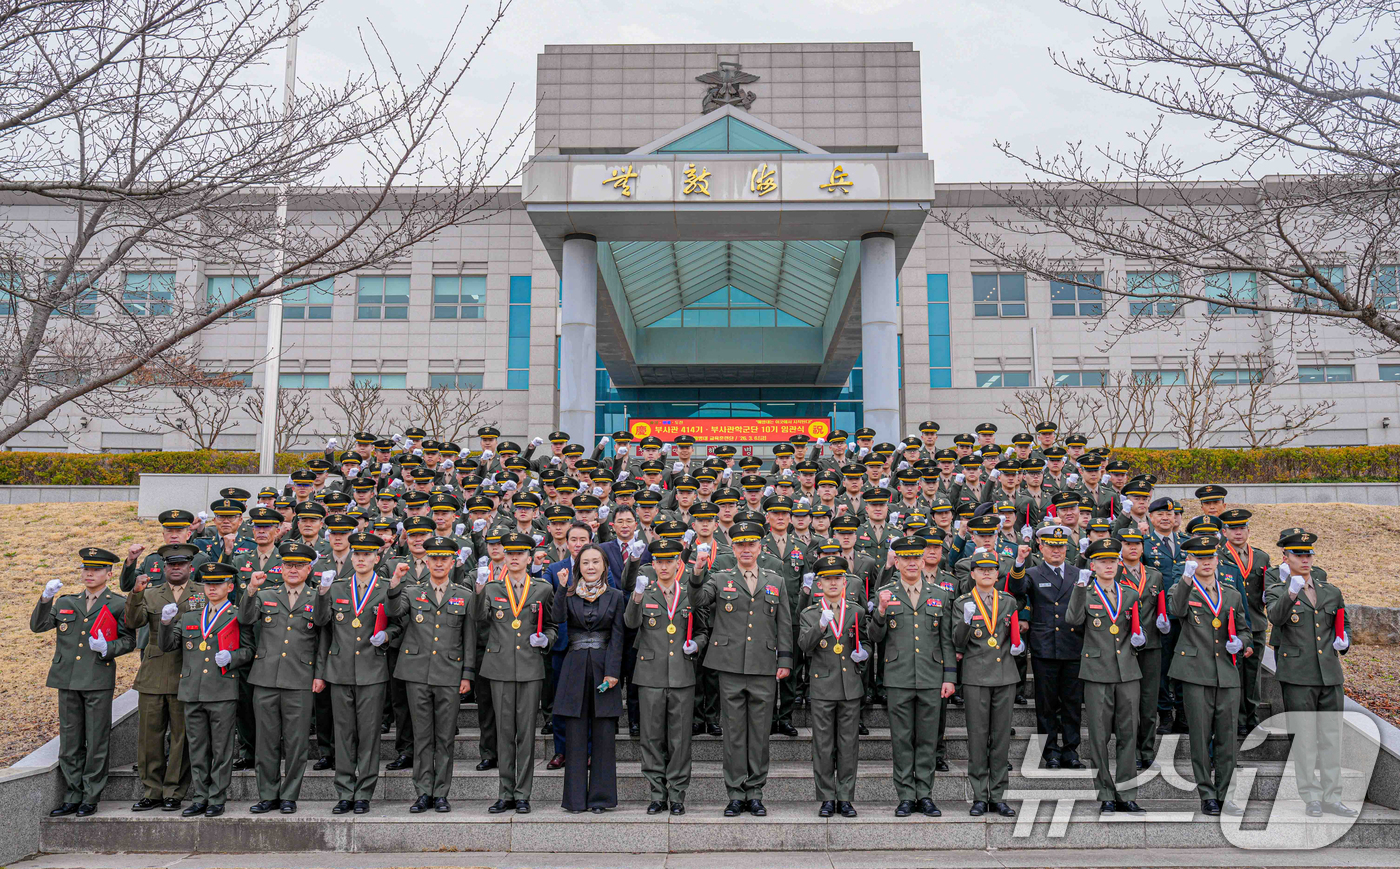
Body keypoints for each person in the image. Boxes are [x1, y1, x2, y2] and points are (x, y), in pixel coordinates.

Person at [694, 520, 793, 818]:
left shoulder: (775, 580)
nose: (746, 548)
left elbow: (784, 623)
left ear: (760, 547)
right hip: (730, 665)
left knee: (760, 734)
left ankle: (756, 792)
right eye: (741, 544)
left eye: (752, 543)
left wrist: (785, 660)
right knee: (734, 733)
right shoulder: (720, 577)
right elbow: (698, 599)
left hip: (763, 666)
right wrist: (697, 571)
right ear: (733, 548)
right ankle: (736, 793)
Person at [33, 547, 136, 818]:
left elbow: (129, 640)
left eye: (97, 569)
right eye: (86, 568)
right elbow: (38, 626)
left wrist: (108, 648)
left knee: (96, 739)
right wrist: (45, 598)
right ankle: (72, 794)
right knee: (70, 741)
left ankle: (90, 795)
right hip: (66, 679)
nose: (89, 573)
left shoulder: (117, 603)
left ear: (109, 573)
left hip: (97, 678)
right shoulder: (66, 602)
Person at [1265, 528, 1357, 818]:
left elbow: (1343, 622)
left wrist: (1345, 641)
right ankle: (1311, 796)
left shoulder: (1329, 590)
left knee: (1331, 737)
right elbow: (1275, 618)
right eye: (1298, 555)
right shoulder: (1278, 590)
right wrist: (1292, 591)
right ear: (1286, 557)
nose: (1305, 559)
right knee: (1304, 739)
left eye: (1308, 554)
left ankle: (1333, 796)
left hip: (1329, 674)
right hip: (1297, 674)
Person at [315, 531, 408, 815]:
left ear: (377, 558)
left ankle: (364, 792)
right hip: (340, 670)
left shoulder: (385, 587)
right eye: (357, 554)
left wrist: (387, 637)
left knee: (368, 735)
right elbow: (322, 625)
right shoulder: (338, 587)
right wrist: (321, 594)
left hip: (373, 669)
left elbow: (399, 623)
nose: (361, 559)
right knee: (343, 735)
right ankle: (344, 790)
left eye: (367, 555)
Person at [870, 535, 957, 817]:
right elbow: (874, 636)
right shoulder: (885, 593)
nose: (910, 563)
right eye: (904, 558)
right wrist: (881, 611)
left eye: (915, 558)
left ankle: (926, 795)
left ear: (923, 561)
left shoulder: (940, 594)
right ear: (896, 563)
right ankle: (906, 795)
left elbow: (946, 641)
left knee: (928, 740)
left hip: (931, 677)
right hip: (898, 677)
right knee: (902, 739)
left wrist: (949, 677)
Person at [157, 561, 253, 817]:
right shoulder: (190, 616)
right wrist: (165, 623)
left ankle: (217, 797)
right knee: (197, 747)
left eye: (218, 584)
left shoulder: (236, 615)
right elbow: (169, 646)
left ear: (229, 587)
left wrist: (233, 657)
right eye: (208, 584)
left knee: (221, 749)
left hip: (222, 690)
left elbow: (249, 650)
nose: (212, 589)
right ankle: (200, 796)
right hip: (192, 690)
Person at [1168, 533, 1252, 816]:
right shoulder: (1182, 589)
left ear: (1217, 559)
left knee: (1227, 737)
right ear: (1190, 560)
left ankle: (1225, 793)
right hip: (1195, 672)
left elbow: (1245, 629)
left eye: (1210, 557)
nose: (1206, 562)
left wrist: (1241, 643)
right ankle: (1207, 793)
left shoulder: (1231, 593)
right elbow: (1174, 610)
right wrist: (1185, 579)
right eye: (1199, 558)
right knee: (1200, 736)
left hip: (1227, 673)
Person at [392, 535, 476, 814]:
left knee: (445, 738)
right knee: (422, 736)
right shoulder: (411, 591)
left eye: (444, 558)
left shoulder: (465, 595)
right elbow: (394, 612)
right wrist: (394, 584)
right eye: (434, 558)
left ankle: (441, 792)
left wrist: (467, 675)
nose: (439, 562)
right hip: (417, 673)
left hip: (450, 674)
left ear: (453, 562)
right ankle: (422, 792)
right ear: (426, 561)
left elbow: (469, 638)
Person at [237, 541, 322, 814]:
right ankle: (267, 794)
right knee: (266, 741)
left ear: (309, 569)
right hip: (265, 678)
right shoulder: (266, 595)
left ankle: (289, 795)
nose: (293, 570)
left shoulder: (318, 597)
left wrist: (319, 675)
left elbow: (323, 639)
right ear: (281, 568)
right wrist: (250, 589)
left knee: (296, 743)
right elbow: (245, 618)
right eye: (288, 565)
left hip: (300, 679)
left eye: (299, 565)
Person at [476, 530, 558, 815]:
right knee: (504, 732)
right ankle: (505, 793)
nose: (514, 558)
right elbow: (478, 622)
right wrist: (477, 589)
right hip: (498, 667)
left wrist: (546, 640)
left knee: (525, 734)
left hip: (529, 666)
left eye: (519, 554)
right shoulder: (492, 588)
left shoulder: (543, 588)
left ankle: (522, 794)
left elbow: (552, 626)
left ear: (529, 557)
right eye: (509, 553)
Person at [627, 538, 706, 815]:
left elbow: (703, 629)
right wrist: (636, 596)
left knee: (680, 739)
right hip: (650, 675)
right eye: (658, 561)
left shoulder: (689, 593)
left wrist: (697, 644)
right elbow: (630, 623)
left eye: (668, 561)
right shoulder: (644, 591)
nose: (663, 566)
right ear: (653, 564)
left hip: (682, 675)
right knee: (651, 738)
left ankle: (678, 793)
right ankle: (657, 793)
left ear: (677, 564)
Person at [125, 542, 205, 812]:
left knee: (181, 737)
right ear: (164, 567)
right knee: (150, 737)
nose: (175, 568)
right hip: (155, 672)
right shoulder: (151, 594)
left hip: (187, 670)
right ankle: (152, 790)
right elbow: (133, 622)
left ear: (190, 567)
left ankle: (174, 791)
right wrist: (136, 593)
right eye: (171, 565)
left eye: (181, 564)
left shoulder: (202, 593)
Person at [1068, 538, 1146, 814]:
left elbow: (1138, 626)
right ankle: (1105, 792)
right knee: (1099, 736)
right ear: (1093, 565)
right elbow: (1073, 619)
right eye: (1102, 561)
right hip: (1097, 671)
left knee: (1128, 734)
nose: (1109, 566)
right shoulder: (1086, 593)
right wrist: (1079, 586)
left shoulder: (1130, 594)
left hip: (1127, 672)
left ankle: (1127, 792)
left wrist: (1141, 638)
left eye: (1112, 561)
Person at [552, 543, 626, 813]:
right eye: (585, 562)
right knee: (575, 735)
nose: (591, 567)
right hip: (574, 667)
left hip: (604, 667)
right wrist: (562, 588)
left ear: (605, 566)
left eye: (596, 562)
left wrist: (613, 672)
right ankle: (574, 800)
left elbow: (619, 636)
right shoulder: (569, 594)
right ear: (577, 567)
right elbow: (556, 617)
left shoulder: (616, 596)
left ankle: (601, 799)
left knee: (604, 735)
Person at [799, 555, 870, 818]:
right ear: (819, 583)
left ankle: (846, 797)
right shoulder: (810, 613)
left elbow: (866, 641)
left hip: (850, 684)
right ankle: (827, 797)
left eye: (837, 578)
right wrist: (820, 625)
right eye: (827, 579)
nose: (832, 583)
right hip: (822, 686)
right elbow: (804, 646)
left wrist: (865, 654)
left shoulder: (856, 611)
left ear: (844, 582)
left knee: (849, 744)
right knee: (823, 744)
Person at [954, 549, 1023, 818]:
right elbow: (958, 643)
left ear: (997, 574)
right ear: (972, 574)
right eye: (981, 569)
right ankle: (979, 796)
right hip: (975, 676)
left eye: (991, 569)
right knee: (978, 738)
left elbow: (1012, 635)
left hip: (1005, 675)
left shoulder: (1007, 601)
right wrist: (966, 621)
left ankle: (998, 796)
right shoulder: (962, 602)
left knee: (1001, 740)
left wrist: (1019, 645)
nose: (986, 573)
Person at [1024, 525, 1084, 769]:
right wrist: (1018, 564)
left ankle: (1071, 750)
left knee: (1071, 703)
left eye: (1060, 545)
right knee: (1046, 704)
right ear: (1041, 547)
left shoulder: (1078, 573)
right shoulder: (1032, 573)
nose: (1056, 550)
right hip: (1045, 644)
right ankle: (1050, 751)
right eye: (1051, 545)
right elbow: (1018, 592)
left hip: (1072, 645)